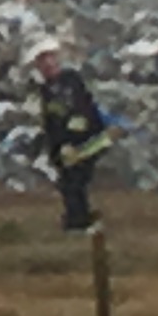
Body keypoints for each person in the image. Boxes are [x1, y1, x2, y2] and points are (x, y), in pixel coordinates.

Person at [32, 44, 107, 233]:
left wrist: (72, 140)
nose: (47, 67)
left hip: (86, 140)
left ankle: (79, 222)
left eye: (50, 61)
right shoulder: (46, 91)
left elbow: (80, 112)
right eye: (43, 64)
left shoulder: (70, 81)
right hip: (65, 145)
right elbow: (51, 120)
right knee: (69, 182)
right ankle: (79, 219)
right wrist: (54, 147)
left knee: (75, 181)